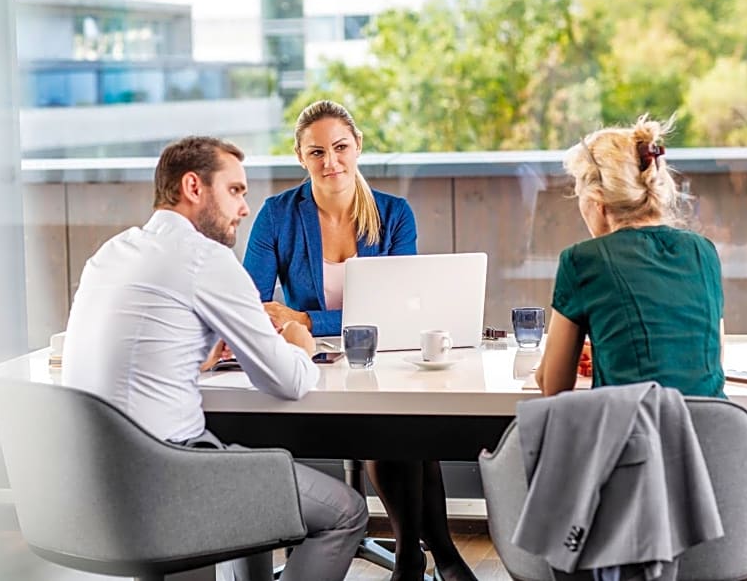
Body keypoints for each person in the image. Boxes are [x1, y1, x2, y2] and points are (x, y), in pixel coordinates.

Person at [61, 136, 368, 581]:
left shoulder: (111, 253)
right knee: (346, 512)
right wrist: (299, 343)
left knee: (246, 467)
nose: (244, 208)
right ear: (193, 186)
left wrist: (195, 355)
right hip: (169, 477)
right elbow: (289, 382)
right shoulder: (205, 257)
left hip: (89, 483)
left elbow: (138, 344)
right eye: (235, 191)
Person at [243, 100, 477, 581]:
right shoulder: (277, 215)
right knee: (396, 429)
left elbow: (393, 316)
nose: (331, 162)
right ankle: (434, 557)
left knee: (402, 421)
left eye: (340, 147)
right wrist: (311, 327)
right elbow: (254, 307)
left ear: (358, 146)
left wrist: (306, 318)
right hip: (315, 367)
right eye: (316, 152)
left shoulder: (393, 215)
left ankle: (420, 558)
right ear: (300, 157)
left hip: (386, 359)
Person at [536, 115, 726, 398]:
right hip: (714, 434)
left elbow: (553, 387)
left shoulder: (582, 260)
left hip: (632, 435)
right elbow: (711, 359)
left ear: (596, 200)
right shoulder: (704, 252)